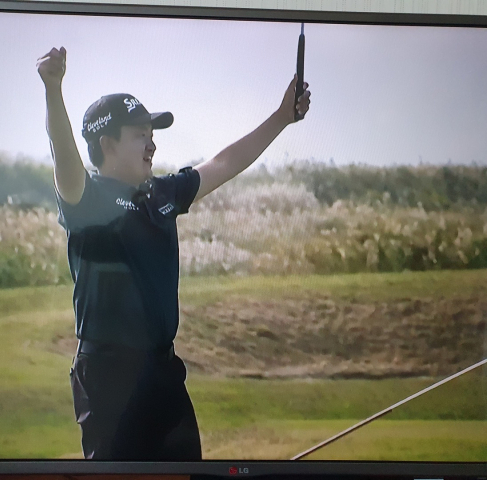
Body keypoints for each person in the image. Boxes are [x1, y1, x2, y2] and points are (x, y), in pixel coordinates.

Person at [37, 46, 311, 461]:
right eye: (139, 135)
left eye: (153, 134)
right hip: (108, 374)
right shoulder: (85, 199)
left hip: (163, 370)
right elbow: (65, 156)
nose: (151, 145)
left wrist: (281, 117)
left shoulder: (162, 193)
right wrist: (53, 90)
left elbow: (224, 162)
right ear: (107, 144)